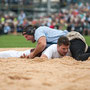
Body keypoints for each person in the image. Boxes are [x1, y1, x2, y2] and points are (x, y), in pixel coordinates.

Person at [22, 25, 90, 61]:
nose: (27, 39)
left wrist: (32, 54)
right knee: (85, 51)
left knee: (79, 57)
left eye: (26, 36)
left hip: (72, 39)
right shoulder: (41, 37)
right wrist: (31, 55)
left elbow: (42, 44)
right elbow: (41, 49)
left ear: (31, 32)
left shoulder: (38, 31)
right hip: (71, 41)